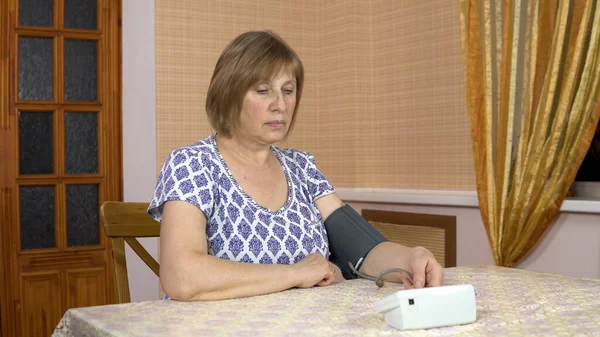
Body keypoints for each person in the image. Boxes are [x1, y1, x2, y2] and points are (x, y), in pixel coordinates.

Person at [148, 30, 444, 301]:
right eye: (263, 91)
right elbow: (181, 277)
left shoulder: (301, 167)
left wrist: (412, 258)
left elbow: (364, 250)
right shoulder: (191, 164)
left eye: (288, 91)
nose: (280, 104)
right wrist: (294, 274)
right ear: (228, 94)